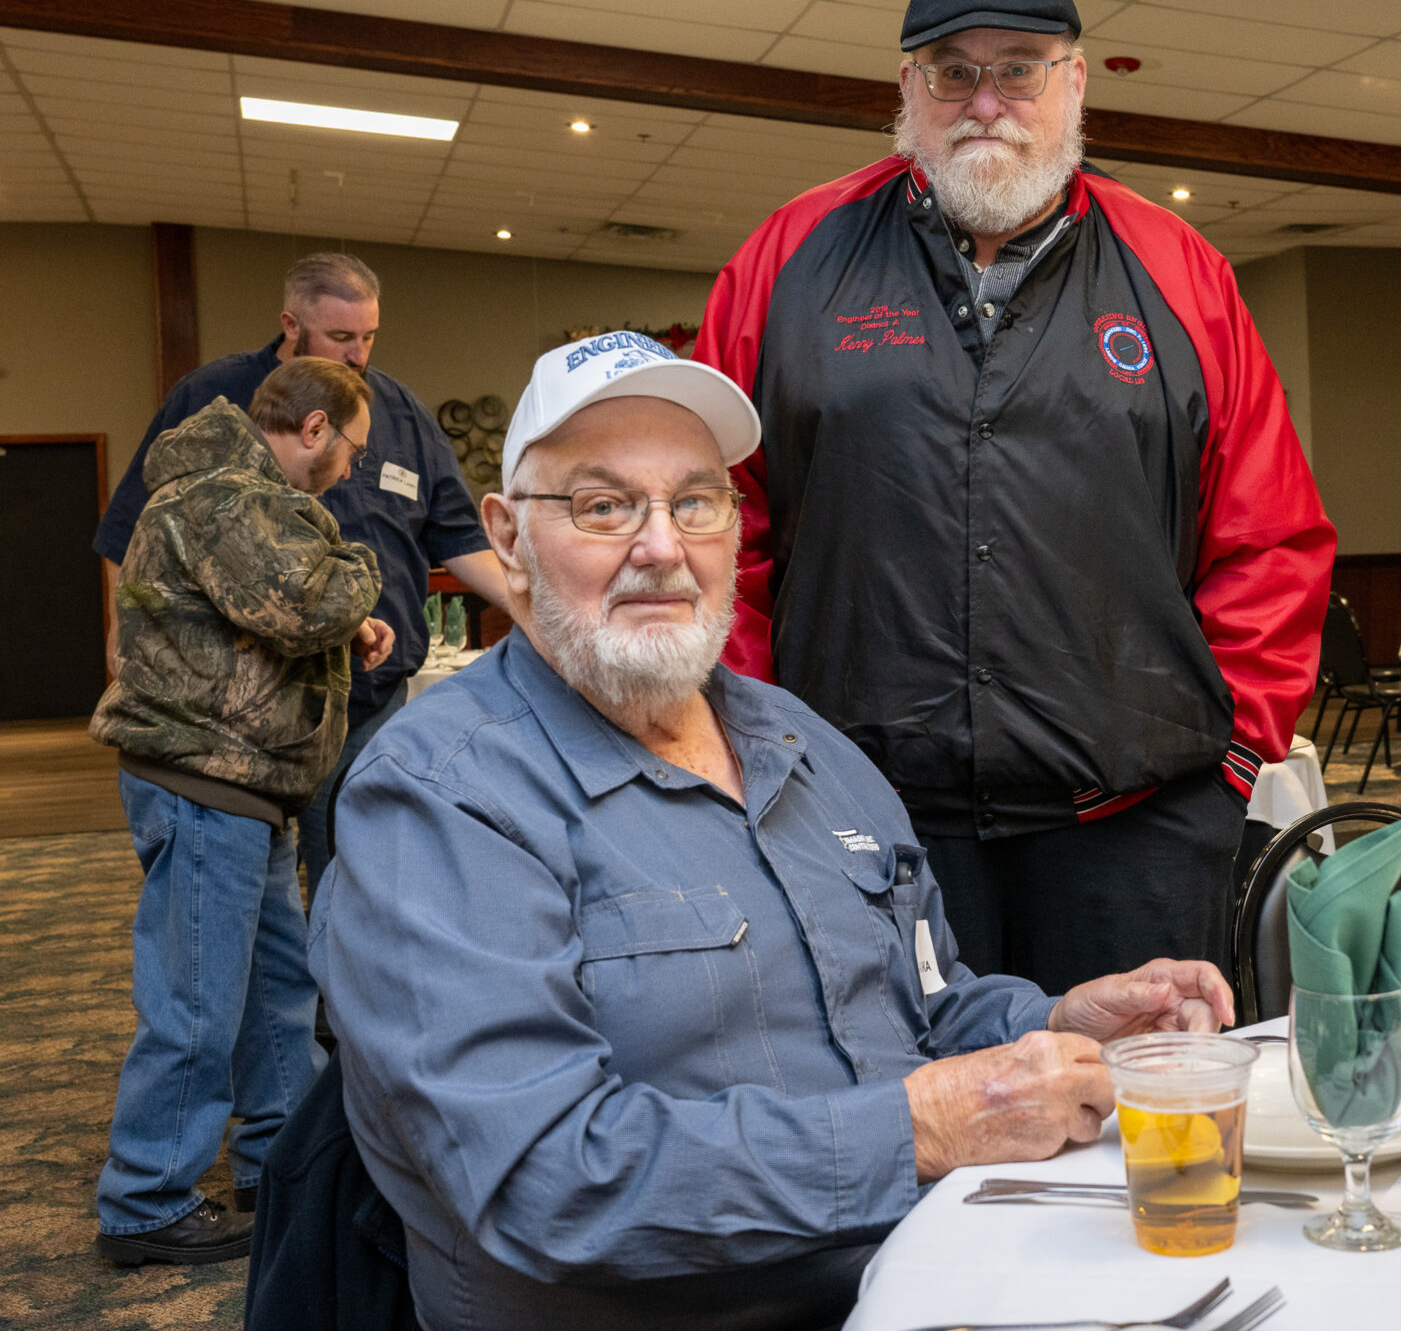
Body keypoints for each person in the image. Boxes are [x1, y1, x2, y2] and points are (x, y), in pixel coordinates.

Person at [307, 332, 1234, 1331]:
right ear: (507, 538)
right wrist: (919, 1131)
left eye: (695, 502)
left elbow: (922, 1006)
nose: (661, 548)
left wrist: (1054, 1028)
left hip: (936, 1279)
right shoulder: (441, 798)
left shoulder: (806, 745)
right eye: (603, 505)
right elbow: (545, 1179)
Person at [691, 0, 1336, 993]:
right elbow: (715, 523)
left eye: (1020, 68)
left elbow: (1272, 540)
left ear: (1074, 81)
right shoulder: (789, 260)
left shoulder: (1182, 272)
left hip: (1136, 832)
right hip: (863, 823)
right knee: (904, 1094)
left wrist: (1232, 759)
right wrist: (757, 745)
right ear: (908, 88)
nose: (985, 101)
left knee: (1132, 1097)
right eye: (953, 71)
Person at [91, 358, 393, 1266]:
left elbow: (269, 615)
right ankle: (145, 1199)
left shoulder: (237, 500)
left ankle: (279, 1160)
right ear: (314, 428)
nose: (351, 467)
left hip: (243, 785)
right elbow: (306, 601)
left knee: (274, 991)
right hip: (205, 780)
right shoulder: (226, 497)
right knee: (196, 999)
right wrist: (362, 570)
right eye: (352, 448)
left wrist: (345, 623)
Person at [94, 252, 504, 890]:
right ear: (291, 324)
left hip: (370, 693)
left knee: (360, 876)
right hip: (244, 712)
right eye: (341, 337)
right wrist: (124, 633)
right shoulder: (215, 396)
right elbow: (132, 527)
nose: (358, 355)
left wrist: (536, 610)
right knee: (244, 885)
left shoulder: (399, 411)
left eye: (369, 336)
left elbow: (457, 535)